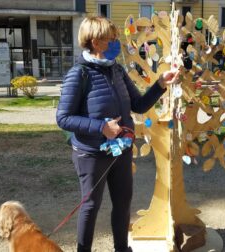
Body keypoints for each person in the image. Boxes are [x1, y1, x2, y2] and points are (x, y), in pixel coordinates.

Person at [56, 16, 179, 252]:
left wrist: (160, 84)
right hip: (91, 154)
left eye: (116, 38)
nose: (116, 43)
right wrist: (101, 127)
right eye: (110, 39)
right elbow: (63, 119)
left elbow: (139, 105)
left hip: (120, 150)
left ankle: (122, 249)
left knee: (123, 203)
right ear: (94, 41)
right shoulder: (78, 74)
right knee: (91, 205)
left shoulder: (117, 70)